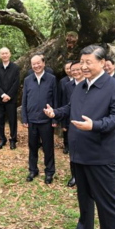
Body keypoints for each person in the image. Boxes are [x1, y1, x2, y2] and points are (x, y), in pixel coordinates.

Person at [44, 45, 115, 229]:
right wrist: (56, 113)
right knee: (84, 197)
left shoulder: (114, 87)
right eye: (82, 61)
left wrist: (95, 125)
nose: (84, 66)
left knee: (107, 202)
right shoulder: (81, 87)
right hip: (79, 153)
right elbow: (71, 107)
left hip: (101, 155)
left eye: (89, 62)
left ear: (102, 63)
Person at [22, 54, 57, 184]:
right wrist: (25, 118)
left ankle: (49, 172)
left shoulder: (52, 79)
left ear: (43, 63)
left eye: (38, 63)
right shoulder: (27, 80)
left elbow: (55, 100)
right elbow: (24, 100)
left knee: (48, 147)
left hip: (46, 120)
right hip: (32, 120)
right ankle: (33, 170)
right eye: (33, 64)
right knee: (32, 146)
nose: (36, 66)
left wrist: (55, 119)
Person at [61, 61, 84, 188]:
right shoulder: (68, 85)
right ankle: (74, 175)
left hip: (88, 124)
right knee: (73, 152)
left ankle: (85, 176)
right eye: (72, 70)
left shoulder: (89, 85)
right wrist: (64, 123)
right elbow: (65, 105)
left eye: (77, 69)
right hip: (72, 123)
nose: (75, 72)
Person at [0, 47, 20, 150]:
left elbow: (16, 83)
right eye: (2, 53)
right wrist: (3, 95)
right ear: (0, 55)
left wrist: (8, 95)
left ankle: (13, 140)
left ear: (10, 54)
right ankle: (2, 139)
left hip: (11, 99)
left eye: (6, 53)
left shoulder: (15, 67)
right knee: (0, 119)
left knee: (12, 120)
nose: (4, 55)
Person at [58, 60, 73, 154]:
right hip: (65, 106)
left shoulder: (81, 79)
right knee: (65, 128)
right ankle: (66, 145)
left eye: (70, 68)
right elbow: (60, 96)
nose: (68, 70)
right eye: (66, 68)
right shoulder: (62, 81)